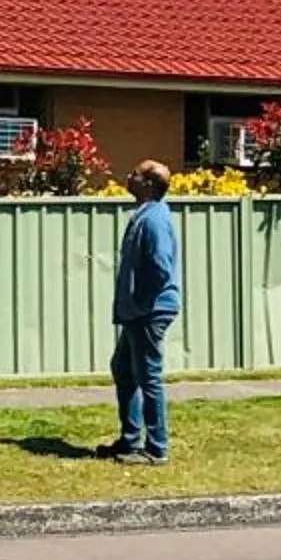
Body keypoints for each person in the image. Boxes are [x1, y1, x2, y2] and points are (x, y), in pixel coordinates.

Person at [98, 161, 181, 465]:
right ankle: (130, 440)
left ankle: (156, 448)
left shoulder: (154, 219)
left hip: (150, 311)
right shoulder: (145, 215)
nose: (128, 176)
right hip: (139, 311)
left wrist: (142, 303)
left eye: (134, 173)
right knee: (123, 369)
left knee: (148, 376)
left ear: (148, 183)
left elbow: (161, 267)